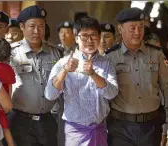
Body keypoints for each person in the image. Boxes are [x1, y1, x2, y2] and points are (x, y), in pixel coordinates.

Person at [105, 7, 168, 146]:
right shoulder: (110, 57)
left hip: (151, 127)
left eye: (141, 27)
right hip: (119, 128)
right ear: (120, 29)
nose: (137, 32)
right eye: (132, 27)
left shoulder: (156, 54)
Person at [45, 17, 118, 146]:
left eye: (93, 35)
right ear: (76, 37)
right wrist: (65, 71)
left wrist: (93, 74)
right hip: (75, 132)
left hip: (99, 129)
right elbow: (50, 94)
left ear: (99, 37)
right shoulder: (64, 62)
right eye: (84, 36)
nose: (89, 40)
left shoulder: (107, 63)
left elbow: (111, 93)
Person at [8, 5, 62, 146]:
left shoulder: (56, 52)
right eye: (32, 26)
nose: (37, 31)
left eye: (41, 26)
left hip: (47, 121)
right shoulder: (11, 53)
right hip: (20, 121)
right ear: (22, 26)